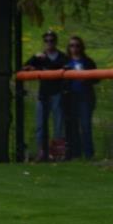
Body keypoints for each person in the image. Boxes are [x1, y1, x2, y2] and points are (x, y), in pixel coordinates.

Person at [19, 30, 69, 162]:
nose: (49, 43)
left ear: (55, 42)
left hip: (57, 94)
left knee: (58, 125)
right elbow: (24, 67)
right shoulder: (39, 57)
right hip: (43, 94)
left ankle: (57, 153)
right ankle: (42, 151)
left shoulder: (62, 57)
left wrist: (43, 63)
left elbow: (62, 68)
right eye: (46, 40)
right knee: (41, 125)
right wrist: (35, 62)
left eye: (51, 40)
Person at [62, 37, 99, 160]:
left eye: (77, 45)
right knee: (72, 126)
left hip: (85, 97)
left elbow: (97, 78)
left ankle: (89, 154)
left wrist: (87, 78)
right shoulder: (65, 61)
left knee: (85, 126)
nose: (74, 48)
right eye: (72, 45)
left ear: (81, 47)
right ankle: (75, 154)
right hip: (70, 97)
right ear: (69, 47)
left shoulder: (88, 62)